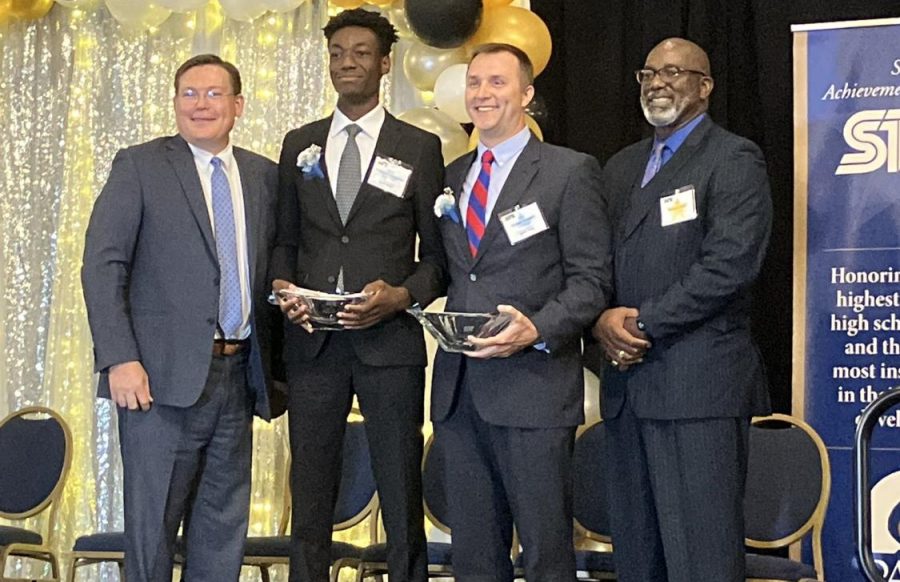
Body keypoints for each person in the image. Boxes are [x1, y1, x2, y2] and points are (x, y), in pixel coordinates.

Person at [81, 54, 281, 581]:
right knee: (152, 532)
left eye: (214, 94)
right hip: (156, 383)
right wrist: (119, 358)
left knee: (222, 531)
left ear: (237, 105)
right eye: (189, 93)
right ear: (174, 102)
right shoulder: (140, 165)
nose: (200, 104)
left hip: (238, 377)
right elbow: (103, 265)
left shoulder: (264, 176)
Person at [585, 37, 773, 582]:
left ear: (705, 87)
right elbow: (592, 261)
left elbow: (730, 265)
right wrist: (600, 318)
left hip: (698, 386)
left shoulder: (733, 158)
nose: (658, 83)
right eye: (648, 74)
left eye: (674, 72)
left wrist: (641, 322)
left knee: (703, 558)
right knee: (638, 556)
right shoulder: (620, 167)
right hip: (626, 389)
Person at [268, 8, 445, 582]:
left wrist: (400, 296)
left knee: (399, 485)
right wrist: (282, 289)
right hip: (313, 344)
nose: (348, 62)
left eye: (362, 53)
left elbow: (439, 260)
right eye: (338, 52)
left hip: (388, 342)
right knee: (311, 492)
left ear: (385, 63)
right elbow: (285, 242)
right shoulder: (300, 144)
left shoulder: (418, 147)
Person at [429, 43, 611, 581]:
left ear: (526, 95)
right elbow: (456, 272)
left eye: (498, 83)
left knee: (544, 552)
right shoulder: (453, 175)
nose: (483, 94)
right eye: (475, 83)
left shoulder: (569, 172)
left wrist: (538, 328)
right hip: (460, 394)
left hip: (533, 389)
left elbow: (591, 282)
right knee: (475, 557)